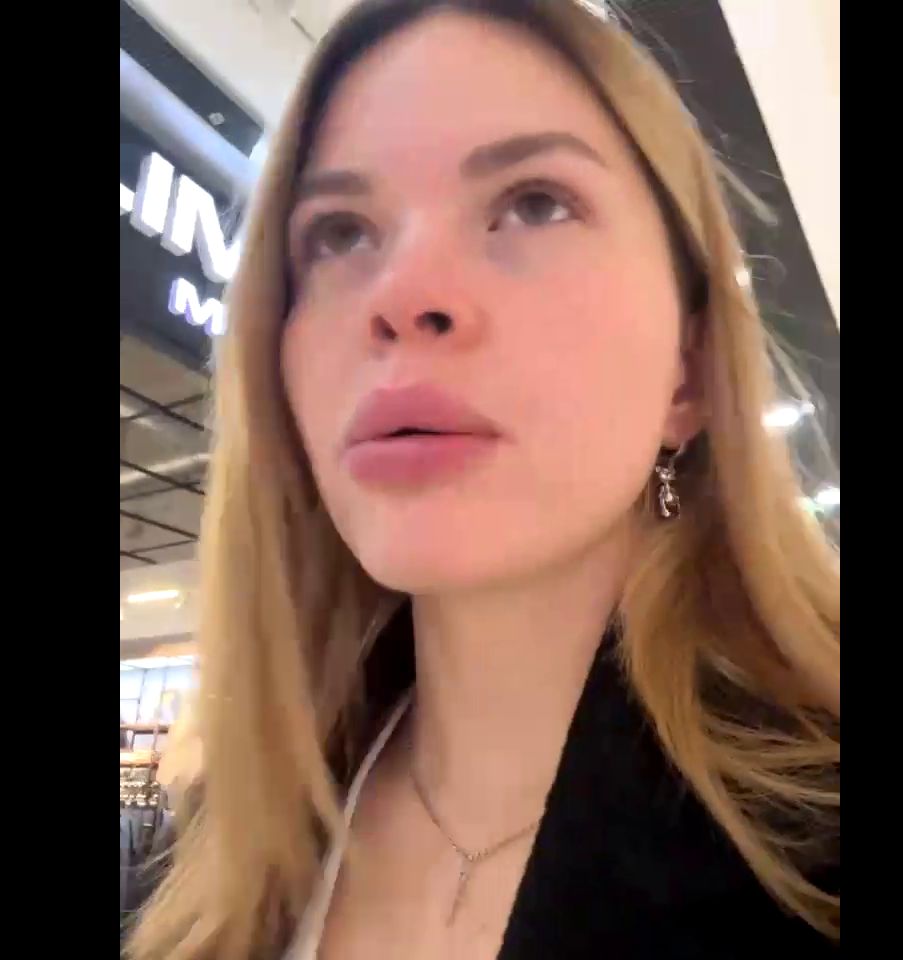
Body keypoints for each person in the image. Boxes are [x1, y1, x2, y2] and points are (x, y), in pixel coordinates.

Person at [128, 1, 840, 958]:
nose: (402, 295)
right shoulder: (219, 848)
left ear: (689, 369)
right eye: (340, 233)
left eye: (535, 202)